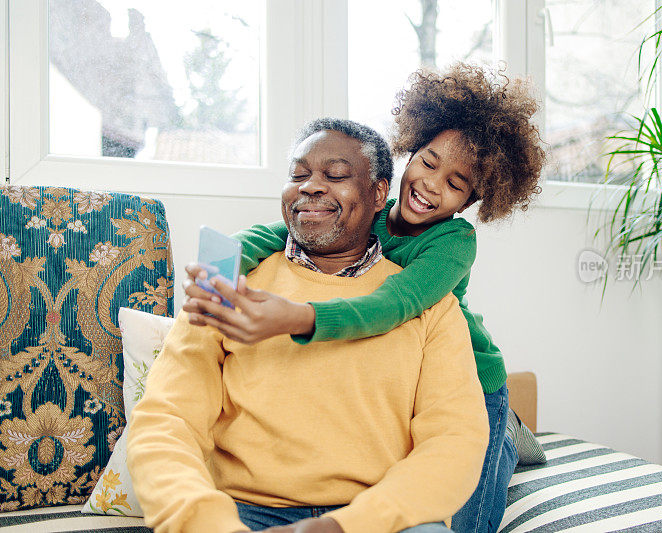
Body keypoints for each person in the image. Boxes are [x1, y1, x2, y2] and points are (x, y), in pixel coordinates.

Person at [184, 63, 546, 533]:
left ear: (472, 201)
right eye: (428, 162)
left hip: (474, 383)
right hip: (411, 377)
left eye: (456, 183)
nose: (432, 184)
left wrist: (298, 317)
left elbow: (392, 304)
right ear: (409, 151)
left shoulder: (453, 242)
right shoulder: (366, 213)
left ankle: (509, 436)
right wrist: (220, 266)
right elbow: (273, 232)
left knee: (464, 522)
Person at [128, 118, 489, 533]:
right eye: (299, 175)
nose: (311, 186)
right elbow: (166, 421)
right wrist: (207, 523)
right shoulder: (228, 288)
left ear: (378, 194)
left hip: (377, 517)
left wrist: (343, 526)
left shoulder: (429, 304)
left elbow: (453, 443)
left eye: (335, 175)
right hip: (245, 512)